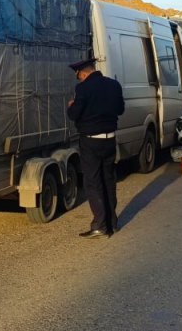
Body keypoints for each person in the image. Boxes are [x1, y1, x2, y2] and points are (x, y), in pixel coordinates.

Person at [67, 58, 124, 239]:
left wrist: (71, 106)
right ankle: (112, 223)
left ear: (82, 73)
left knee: (93, 182)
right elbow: (120, 109)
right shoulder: (114, 85)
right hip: (110, 140)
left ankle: (100, 225)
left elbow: (74, 114)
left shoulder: (83, 89)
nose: (80, 80)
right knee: (108, 180)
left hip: (91, 142)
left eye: (79, 77)